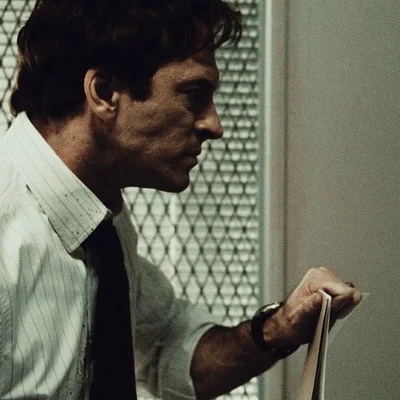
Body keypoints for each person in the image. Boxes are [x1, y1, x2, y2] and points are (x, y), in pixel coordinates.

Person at [0, 0, 362, 399]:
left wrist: (278, 328)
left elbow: (166, 350)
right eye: (194, 94)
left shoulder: (101, 223)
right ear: (104, 92)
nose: (214, 125)